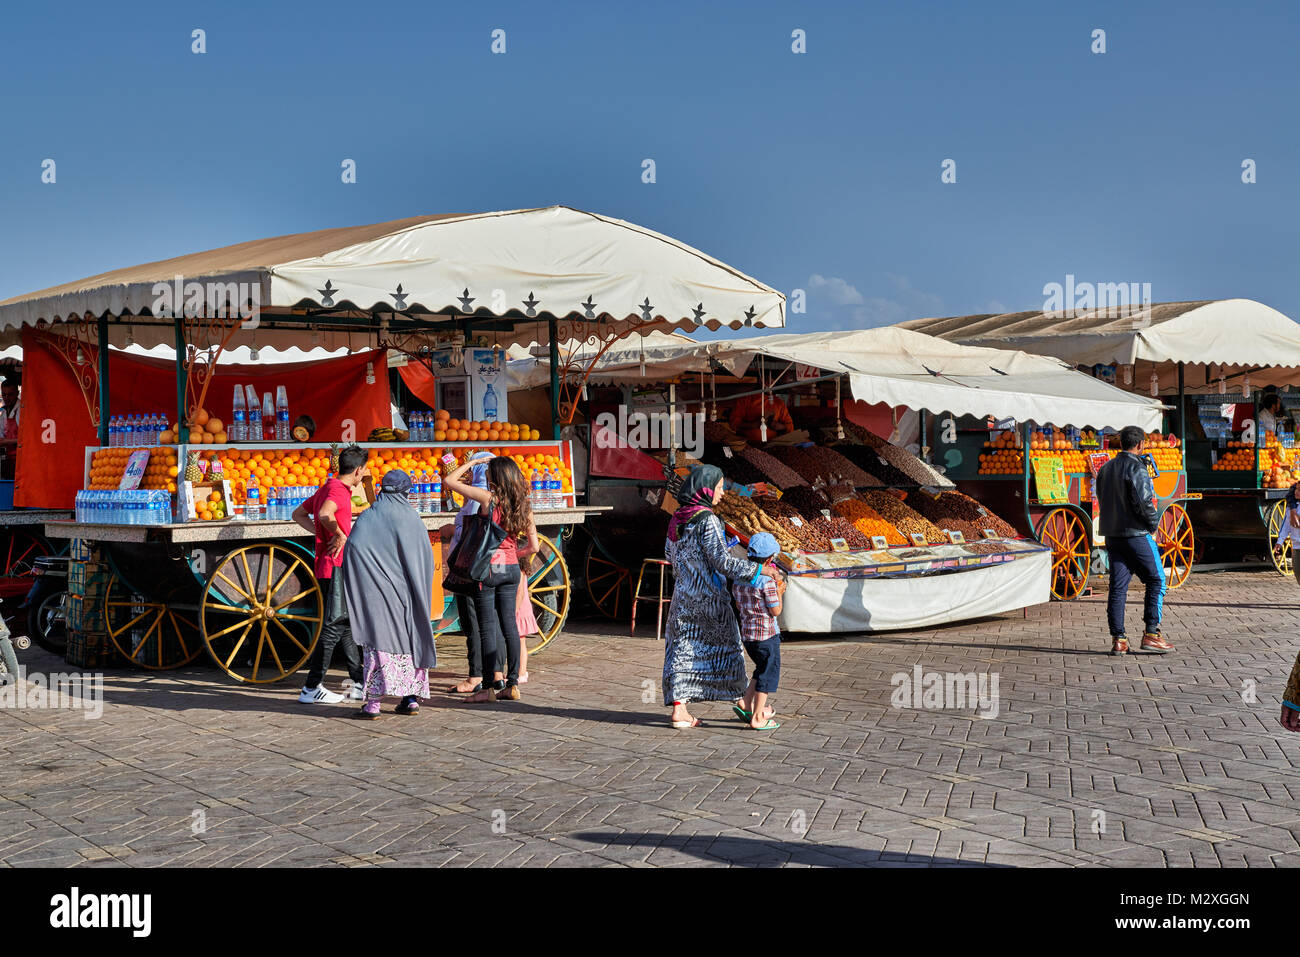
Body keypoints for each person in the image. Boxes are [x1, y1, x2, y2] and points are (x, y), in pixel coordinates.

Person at [661, 464, 769, 728]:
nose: (721, 493)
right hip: (709, 600)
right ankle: (743, 700)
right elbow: (722, 561)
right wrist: (758, 570)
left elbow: (668, 555)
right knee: (729, 648)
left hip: (683, 599)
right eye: (719, 488)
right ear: (705, 490)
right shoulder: (707, 519)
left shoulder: (677, 518)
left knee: (682, 651)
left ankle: (680, 710)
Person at [343, 470, 438, 718]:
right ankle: (410, 700)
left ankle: (373, 704)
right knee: (410, 641)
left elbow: (353, 549)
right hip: (407, 596)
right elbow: (424, 559)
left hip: (377, 596)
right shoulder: (411, 517)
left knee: (378, 646)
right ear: (406, 491)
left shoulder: (369, 516)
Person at [444, 455, 539, 703]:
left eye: (488, 473)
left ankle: (487, 689)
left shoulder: (489, 499)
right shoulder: (524, 505)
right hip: (510, 572)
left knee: (487, 628)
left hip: (487, 571)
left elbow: (449, 480)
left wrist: (471, 464)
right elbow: (534, 547)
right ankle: (513, 683)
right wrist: (511, 554)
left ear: (494, 478)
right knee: (510, 627)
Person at [293, 444, 368, 704]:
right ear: (358, 471)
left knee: (344, 623)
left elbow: (299, 514)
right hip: (336, 564)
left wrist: (321, 536)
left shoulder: (328, 486)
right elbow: (324, 513)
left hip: (329, 563)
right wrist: (337, 534)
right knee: (334, 625)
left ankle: (359, 682)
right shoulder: (338, 490)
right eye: (365, 470)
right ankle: (312, 686)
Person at [1096, 425, 1172, 655]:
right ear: (1140, 444)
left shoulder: (1105, 468)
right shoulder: (1137, 468)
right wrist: (1152, 525)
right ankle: (1152, 633)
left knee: (1118, 588)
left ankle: (1118, 638)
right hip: (1136, 534)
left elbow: (1101, 497)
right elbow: (1144, 502)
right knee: (1157, 579)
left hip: (1112, 535)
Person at [445, 451, 493, 694]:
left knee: (471, 622)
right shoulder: (498, 494)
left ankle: (476, 675)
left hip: (469, 568)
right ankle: (497, 674)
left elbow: (449, 481)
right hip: (488, 567)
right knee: (490, 622)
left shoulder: (478, 496)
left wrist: (470, 462)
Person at [730, 532, 784, 731]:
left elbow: (737, 603)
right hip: (766, 636)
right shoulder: (767, 582)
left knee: (761, 669)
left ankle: (746, 701)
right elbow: (775, 610)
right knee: (768, 675)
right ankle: (758, 716)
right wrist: (779, 592)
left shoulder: (739, 579)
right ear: (770, 560)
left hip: (748, 636)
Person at [728, 393, 793, 444]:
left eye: (772, 381)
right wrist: (753, 425)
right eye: (766, 380)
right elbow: (733, 423)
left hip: (771, 445)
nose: (769, 383)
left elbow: (790, 427)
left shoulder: (779, 403)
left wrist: (780, 426)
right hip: (747, 444)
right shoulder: (745, 399)